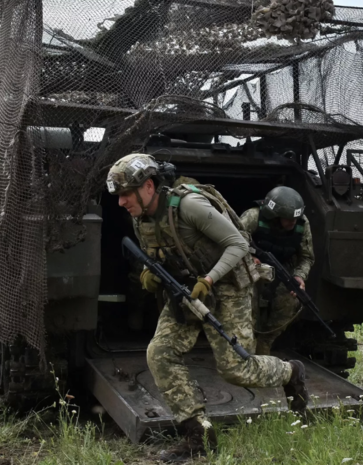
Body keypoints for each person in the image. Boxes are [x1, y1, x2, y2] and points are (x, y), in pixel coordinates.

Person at [106, 154, 309, 462]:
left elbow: (238, 245)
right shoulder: (141, 216)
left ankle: (291, 372)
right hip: (187, 288)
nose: (120, 202)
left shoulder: (189, 206)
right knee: (160, 353)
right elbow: (161, 252)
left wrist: (210, 279)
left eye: (124, 194)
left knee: (235, 368)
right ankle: (198, 434)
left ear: (148, 186)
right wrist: (151, 272)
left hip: (227, 285)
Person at [239, 186, 314, 356]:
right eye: (287, 218)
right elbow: (231, 241)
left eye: (295, 218)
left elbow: (306, 257)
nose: (292, 222)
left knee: (290, 303)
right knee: (249, 312)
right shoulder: (253, 216)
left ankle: (265, 344)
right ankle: (246, 350)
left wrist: (299, 276)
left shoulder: (302, 224)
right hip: (250, 272)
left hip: (282, 272)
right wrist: (248, 258)